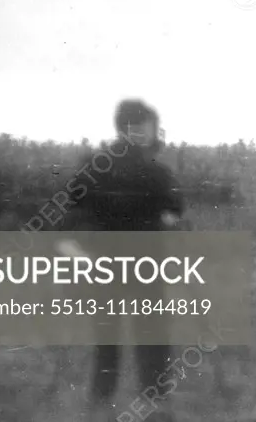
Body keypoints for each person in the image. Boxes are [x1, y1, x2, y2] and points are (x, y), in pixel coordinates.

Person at [65, 99, 184, 422]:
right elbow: (174, 212)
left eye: (149, 126)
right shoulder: (151, 170)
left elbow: (72, 210)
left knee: (116, 338)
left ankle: (108, 403)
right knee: (143, 336)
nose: (147, 132)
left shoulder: (100, 164)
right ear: (131, 128)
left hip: (120, 262)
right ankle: (147, 404)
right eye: (143, 126)